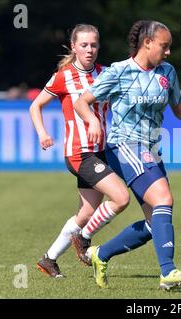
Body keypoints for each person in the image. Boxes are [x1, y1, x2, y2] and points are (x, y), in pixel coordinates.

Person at [73, 20, 181, 290]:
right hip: (124, 145)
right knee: (164, 198)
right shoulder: (119, 71)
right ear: (147, 43)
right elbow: (82, 101)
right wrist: (92, 122)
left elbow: (178, 107)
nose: (168, 52)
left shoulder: (168, 72)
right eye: (165, 46)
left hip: (150, 149)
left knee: (155, 223)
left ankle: (99, 255)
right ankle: (168, 272)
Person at [29, 24, 130, 278]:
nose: (90, 49)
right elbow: (35, 106)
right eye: (84, 45)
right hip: (79, 153)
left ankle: (48, 260)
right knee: (120, 198)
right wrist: (42, 133)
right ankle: (83, 241)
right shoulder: (64, 76)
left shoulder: (104, 73)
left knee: (86, 212)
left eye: (94, 45)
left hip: (100, 151)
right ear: (73, 47)